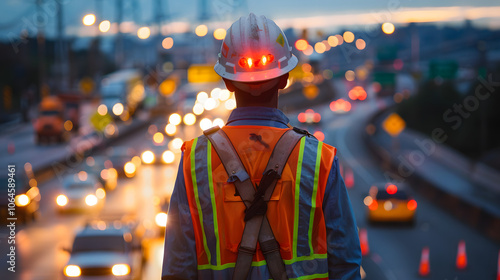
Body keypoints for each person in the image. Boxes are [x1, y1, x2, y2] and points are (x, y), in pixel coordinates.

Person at [162, 13, 361, 280]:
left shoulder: (194, 162)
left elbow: (178, 268)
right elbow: (345, 264)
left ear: (227, 82)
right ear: (285, 79)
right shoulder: (320, 160)